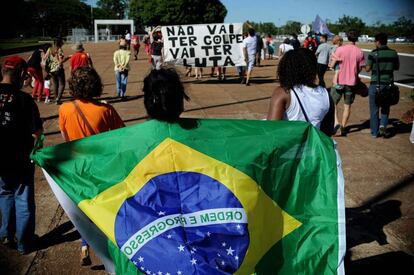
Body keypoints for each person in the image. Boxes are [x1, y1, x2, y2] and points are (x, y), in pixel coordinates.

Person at [58, 67, 125, 265]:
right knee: (103, 208)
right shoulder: (106, 110)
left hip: (77, 167)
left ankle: (85, 245)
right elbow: (121, 138)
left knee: (83, 208)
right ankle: (107, 247)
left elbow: (65, 138)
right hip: (102, 167)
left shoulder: (65, 109)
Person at [0, 56, 43, 254]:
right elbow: (37, 132)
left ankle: (6, 233)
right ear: (21, 75)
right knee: (23, 199)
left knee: (5, 193)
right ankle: (24, 242)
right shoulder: (24, 99)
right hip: (20, 159)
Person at [266, 48, 334, 137]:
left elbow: (271, 131)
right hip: (314, 148)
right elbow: (327, 131)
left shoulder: (283, 92)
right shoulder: (325, 93)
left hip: (290, 149)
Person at [330, 30, 365, 136]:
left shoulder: (340, 49)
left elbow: (332, 65)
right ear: (357, 39)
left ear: (347, 37)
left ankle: (336, 123)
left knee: (333, 103)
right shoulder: (360, 52)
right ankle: (343, 127)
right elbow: (360, 68)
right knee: (347, 106)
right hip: (352, 82)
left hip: (339, 81)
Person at [365, 33, 400, 138]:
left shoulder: (373, 53)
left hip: (375, 84)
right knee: (385, 107)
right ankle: (383, 126)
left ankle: (374, 133)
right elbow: (396, 67)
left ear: (378, 42)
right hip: (388, 85)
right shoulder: (393, 53)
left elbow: (367, 69)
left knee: (374, 110)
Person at [44, 37, 70, 104]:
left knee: (55, 84)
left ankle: (56, 98)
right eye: (62, 41)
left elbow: (44, 58)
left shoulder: (50, 49)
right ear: (59, 42)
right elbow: (60, 61)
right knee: (62, 84)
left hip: (51, 70)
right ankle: (58, 99)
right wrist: (68, 57)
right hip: (58, 69)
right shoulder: (59, 49)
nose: (63, 42)